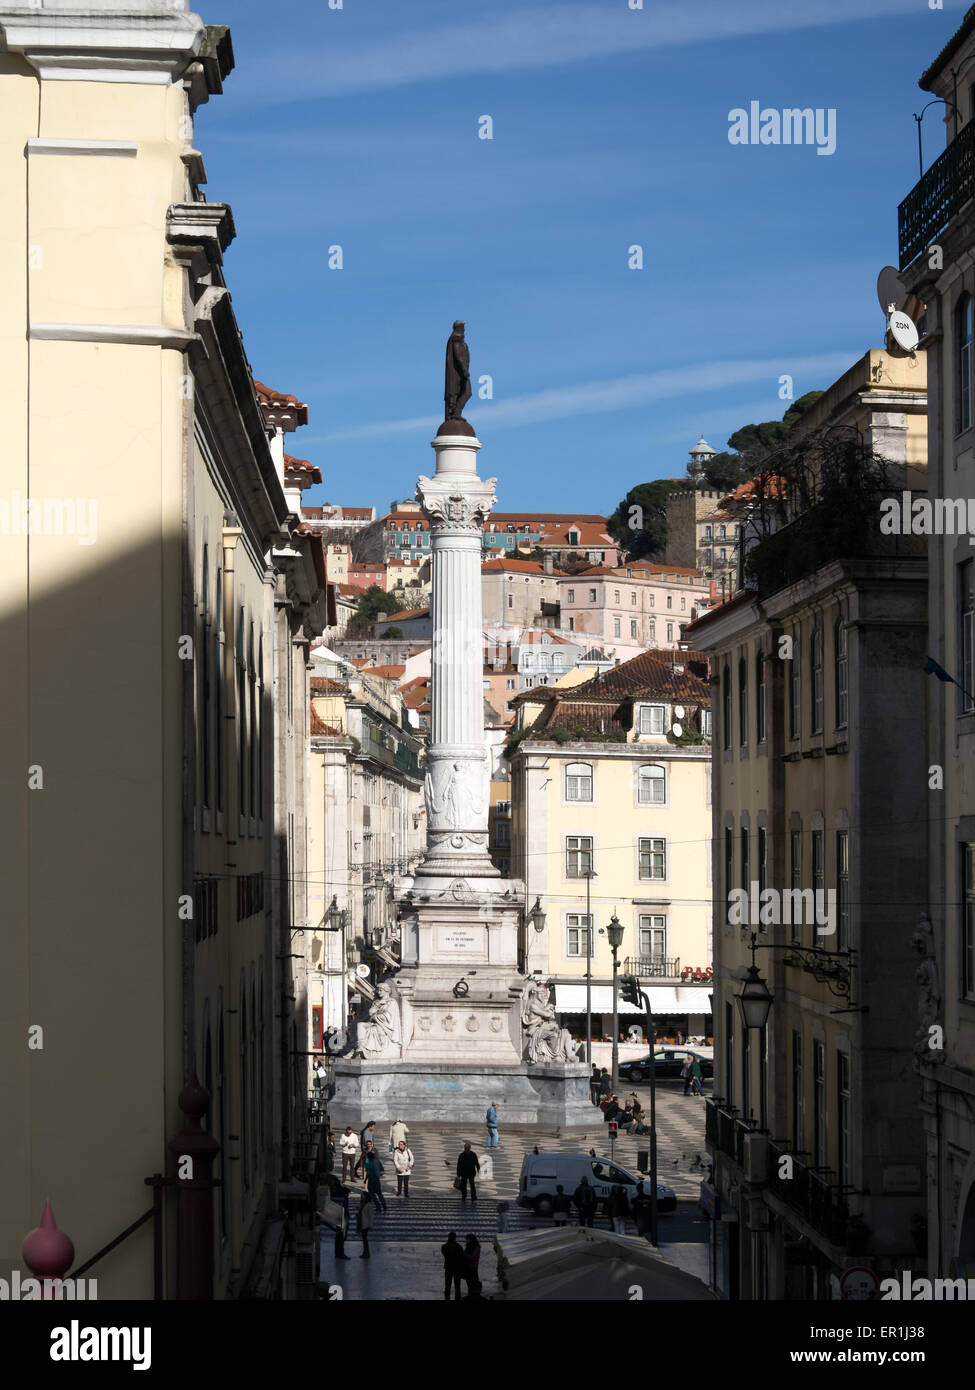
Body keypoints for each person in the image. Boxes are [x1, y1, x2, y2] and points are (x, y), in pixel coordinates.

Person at [320, 1170, 351, 1260]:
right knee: (341, 1235)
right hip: (340, 1216)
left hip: (338, 1215)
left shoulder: (336, 1194)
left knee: (339, 1236)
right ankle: (340, 1253)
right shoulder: (342, 1198)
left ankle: (339, 1253)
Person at [441, 1231, 466, 1300]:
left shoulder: (444, 1246)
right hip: (457, 1268)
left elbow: (444, 1253)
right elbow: (462, 1257)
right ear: (455, 1238)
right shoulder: (459, 1247)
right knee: (457, 1286)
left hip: (448, 1267)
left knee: (447, 1285)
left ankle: (447, 1297)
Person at [364, 1148, 387, 1212]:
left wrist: (365, 1180)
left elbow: (368, 1173)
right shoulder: (378, 1161)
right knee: (379, 1194)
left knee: (372, 1195)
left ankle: (378, 1207)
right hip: (377, 1180)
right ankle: (384, 1206)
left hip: (371, 1180)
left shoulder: (368, 1163)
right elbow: (382, 1170)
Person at [357, 1191, 373, 1259]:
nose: (361, 1196)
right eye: (361, 1195)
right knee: (364, 1239)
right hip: (362, 1223)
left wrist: (370, 1225)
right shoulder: (362, 1203)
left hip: (365, 1224)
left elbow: (371, 1216)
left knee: (365, 1239)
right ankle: (365, 1253)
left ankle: (366, 1253)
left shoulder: (369, 1205)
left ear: (366, 1196)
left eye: (363, 1195)